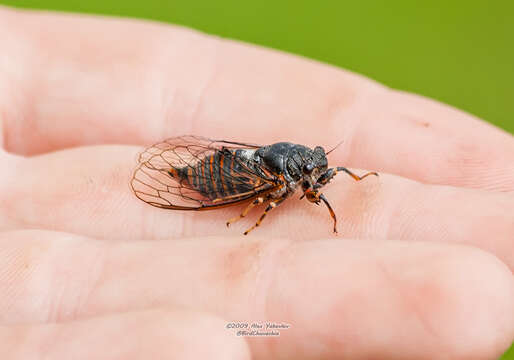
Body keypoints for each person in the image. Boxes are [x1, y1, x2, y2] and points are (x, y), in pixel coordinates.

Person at [0, 6, 513, 359]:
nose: (319, 177)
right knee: (247, 198)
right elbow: (266, 204)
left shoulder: (310, 173)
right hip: (232, 174)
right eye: (313, 173)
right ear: (299, 175)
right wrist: (254, 214)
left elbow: (324, 181)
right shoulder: (281, 183)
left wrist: (341, 189)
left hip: (252, 158)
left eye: (318, 170)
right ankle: (189, 174)